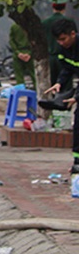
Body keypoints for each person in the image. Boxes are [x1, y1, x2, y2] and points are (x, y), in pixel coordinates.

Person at [43, 17, 79, 174]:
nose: (61, 43)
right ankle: (77, 162)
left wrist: (76, 97)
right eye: (58, 40)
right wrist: (59, 83)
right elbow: (67, 68)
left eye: (63, 39)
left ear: (73, 34)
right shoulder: (64, 49)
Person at [43, 0, 72, 87]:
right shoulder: (69, 22)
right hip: (67, 57)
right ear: (64, 8)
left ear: (53, 8)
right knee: (66, 84)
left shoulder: (45, 23)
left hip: (51, 57)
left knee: (52, 84)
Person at [8, 22, 36, 89]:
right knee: (34, 75)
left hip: (18, 54)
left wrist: (18, 53)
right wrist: (29, 53)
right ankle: (37, 91)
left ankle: (21, 92)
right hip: (30, 53)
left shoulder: (14, 26)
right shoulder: (32, 26)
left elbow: (11, 41)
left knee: (19, 76)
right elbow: (35, 41)